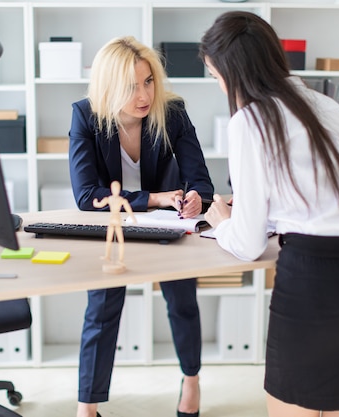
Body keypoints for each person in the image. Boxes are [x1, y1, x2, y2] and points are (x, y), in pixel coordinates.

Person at [200, 11, 339, 417]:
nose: (219, 84)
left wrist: (223, 222)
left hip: (319, 283)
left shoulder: (249, 121)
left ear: (233, 72)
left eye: (215, 75)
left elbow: (246, 245)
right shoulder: (327, 106)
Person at [68, 35, 214, 417]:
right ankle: (88, 406)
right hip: (116, 226)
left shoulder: (173, 112)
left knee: (182, 301)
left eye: (148, 81)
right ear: (109, 87)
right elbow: (87, 196)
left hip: (169, 228)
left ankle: (192, 381)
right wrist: (155, 198)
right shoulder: (86, 116)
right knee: (101, 309)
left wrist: (196, 197)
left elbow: (201, 180)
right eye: (131, 86)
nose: (144, 94)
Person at [92, 180, 137, 272]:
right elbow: (100, 204)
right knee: (109, 239)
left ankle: (120, 259)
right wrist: (96, 203)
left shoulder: (121, 200)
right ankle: (107, 256)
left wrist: (133, 218)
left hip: (116, 219)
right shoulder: (110, 199)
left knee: (120, 241)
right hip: (112, 219)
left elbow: (128, 209)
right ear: (112, 189)